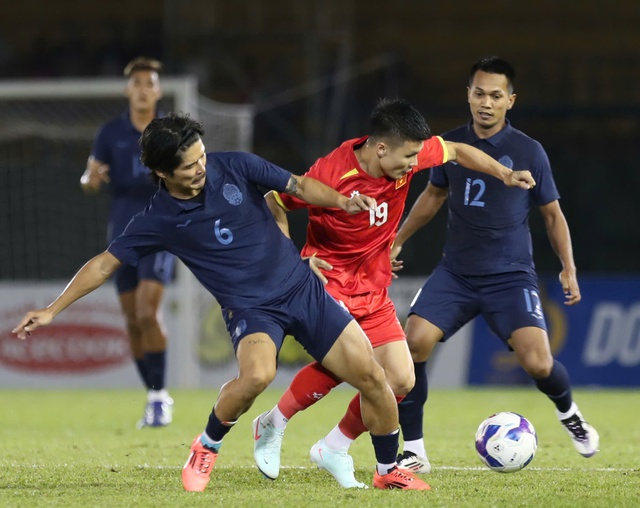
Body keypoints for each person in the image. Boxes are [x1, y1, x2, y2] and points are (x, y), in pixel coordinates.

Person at [13, 113, 431, 492]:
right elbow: (105, 264)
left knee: (375, 379)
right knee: (256, 377)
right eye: (190, 165)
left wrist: (341, 201)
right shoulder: (158, 219)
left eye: (202, 157)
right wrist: (53, 309)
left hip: (302, 288)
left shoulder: (234, 165)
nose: (202, 168)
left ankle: (386, 469)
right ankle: (207, 443)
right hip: (251, 310)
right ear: (162, 172)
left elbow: (297, 186)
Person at [254, 98, 535, 488]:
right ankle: (272, 423)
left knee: (400, 381)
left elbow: (457, 151)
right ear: (381, 148)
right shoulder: (332, 173)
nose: (413, 164)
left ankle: (333, 446)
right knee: (352, 366)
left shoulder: (408, 152)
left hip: (374, 286)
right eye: (408, 157)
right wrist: (291, 260)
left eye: (417, 155)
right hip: (330, 283)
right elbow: (274, 200)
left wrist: (503, 174)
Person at [391, 57, 600, 473]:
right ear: (468, 94)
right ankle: (414, 449)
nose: (486, 103)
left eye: (496, 95)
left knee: (539, 363)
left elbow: (552, 215)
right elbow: (433, 197)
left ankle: (569, 414)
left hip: (510, 277)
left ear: (511, 101)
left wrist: (568, 267)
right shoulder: (448, 146)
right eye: (479, 93)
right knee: (412, 343)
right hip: (456, 274)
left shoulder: (528, 151)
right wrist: (396, 240)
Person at [80, 57, 175, 428]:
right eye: (136, 83)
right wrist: (90, 178)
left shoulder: (169, 131)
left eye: (149, 83)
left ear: (158, 90)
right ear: (127, 90)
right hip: (122, 233)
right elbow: (89, 178)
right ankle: (154, 394)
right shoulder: (110, 133)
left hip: (161, 230)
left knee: (148, 311)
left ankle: (159, 398)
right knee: (132, 320)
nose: (142, 89)